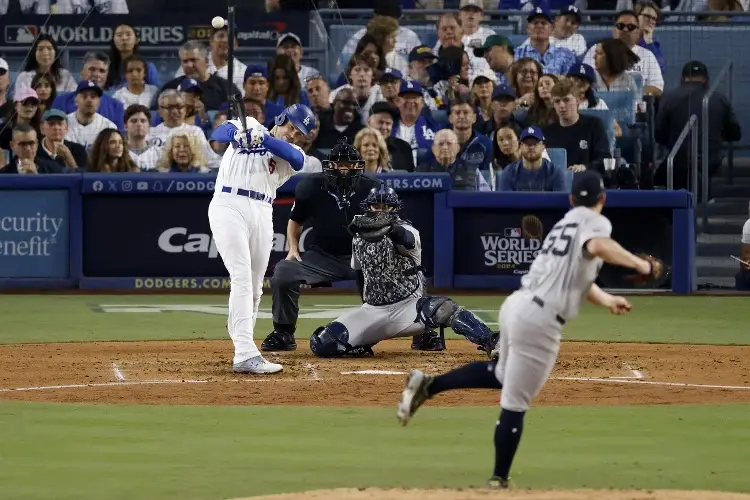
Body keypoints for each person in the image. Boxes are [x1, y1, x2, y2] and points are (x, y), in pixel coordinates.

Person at [396, 169, 658, 489]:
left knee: (504, 375)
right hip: (540, 321)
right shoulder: (595, 222)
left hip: (517, 307)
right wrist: (641, 264)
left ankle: (429, 386)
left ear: (572, 198)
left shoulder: (563, 225)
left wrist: (606, 299)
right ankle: (498, 480)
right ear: (602, 199)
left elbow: (580, 280)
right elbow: (600, 244)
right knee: (516, 400)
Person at [309, 186, 498, 358]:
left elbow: (406, 239)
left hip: (408, 307)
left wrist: (389, 228)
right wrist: (365, 305)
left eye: (386, 206)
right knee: (323, 343)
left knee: (445, 308)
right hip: (373, 311)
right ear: (368, 207)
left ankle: (491, 340)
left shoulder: (409, 230)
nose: (381, 210)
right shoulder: (359, 237)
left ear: (395, 208)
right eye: (376, 206)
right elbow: (360, 273)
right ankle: (362, 342)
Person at [208, 103, 317, 375]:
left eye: (299, 131)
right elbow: (220, 132)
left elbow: (296, 159)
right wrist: (238, 136)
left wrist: (264, 139)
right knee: (242, 276)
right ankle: (245, 352)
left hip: (262, 210)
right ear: (280, 119)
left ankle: (241, 340)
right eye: (291, 126)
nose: (293, 133)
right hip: (228, 203)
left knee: (255, 287)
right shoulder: (249, 124)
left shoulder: (292, 152)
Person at [654, 61, 741, 193]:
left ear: (683, 78)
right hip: (710, 160)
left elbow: (659, 134)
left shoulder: (668, 98)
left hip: (677, 160)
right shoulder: (719, 98)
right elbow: (735, 133)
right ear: (706, 79)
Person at [543, 78, 612, 175]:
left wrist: (585, 167)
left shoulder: (593, 125)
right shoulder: (546, 132)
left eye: (566, 100)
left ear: (577, 101)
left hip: (587, 181)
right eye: (557, 101)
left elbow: (605, 159)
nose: (562, 105)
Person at [499, 126, 566, 192]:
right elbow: (505, 201)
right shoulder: (509, 172)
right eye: (527, 144)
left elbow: (560, 202)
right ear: (521, 147)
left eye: (535, 143)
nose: (531, 147)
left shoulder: (555, 172)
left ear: (543, 147)